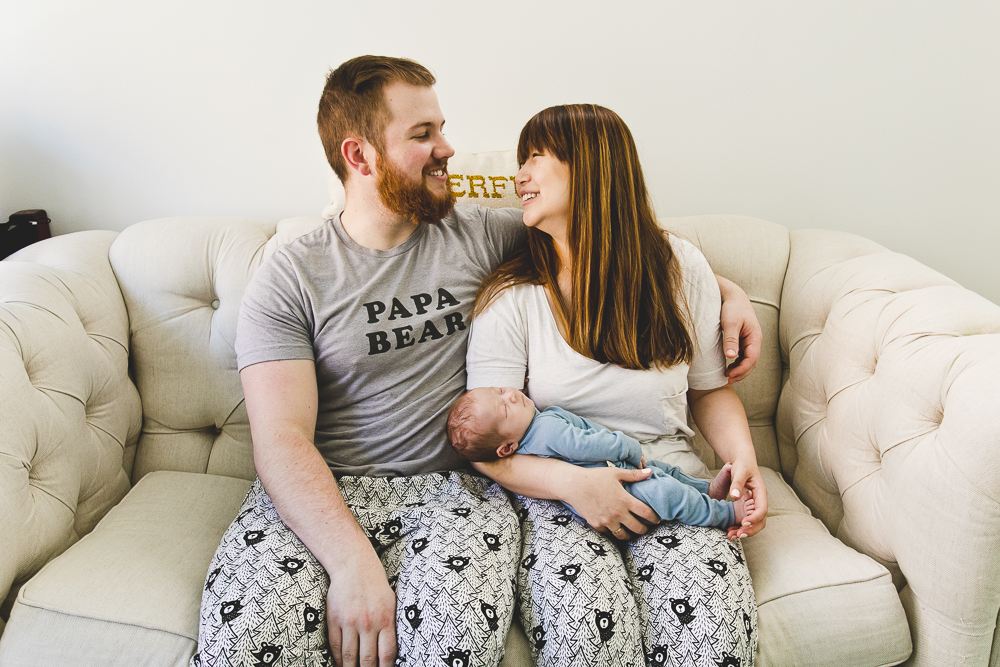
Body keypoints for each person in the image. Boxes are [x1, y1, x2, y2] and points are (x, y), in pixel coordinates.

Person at [191, 55, 763, 667]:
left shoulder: (483, 236)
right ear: (359, 156)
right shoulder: (292, 274)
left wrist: (728, 293)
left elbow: (612, 238)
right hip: (331, 488)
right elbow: (280, 440)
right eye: (423, 135)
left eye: (441, 128)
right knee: (242, 647)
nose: (447, 149)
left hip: (457, 493)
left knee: (454, 650)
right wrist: (350, 562)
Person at [465, 104, 767, 666]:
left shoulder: (681, 269)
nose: (519, 176)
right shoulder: (512, 296)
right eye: (518, 161)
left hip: (671, 480)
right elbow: (487, 449)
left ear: (591, 165)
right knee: (588, 636)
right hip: (556, 498)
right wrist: (575, 486)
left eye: (535, 157)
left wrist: (743, 460)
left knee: (712, 635)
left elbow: (708, 391)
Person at [447, 387, 756, 530]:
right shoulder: (544, 432)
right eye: (504, 408)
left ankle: (705, 490)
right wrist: (625, 446)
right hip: (616, 486)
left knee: (664, 471)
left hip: (614, 473)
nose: (511, 396)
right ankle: (724, 514)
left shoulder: (537, 425)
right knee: (665, 489)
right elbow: (585, 446)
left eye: (500, 390)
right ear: (506, 448)